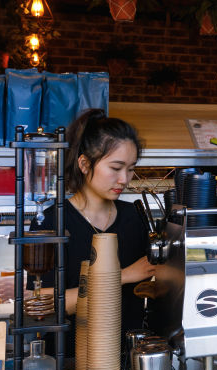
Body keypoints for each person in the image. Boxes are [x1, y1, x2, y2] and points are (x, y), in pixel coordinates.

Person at [41, 109, 155, 333]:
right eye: (115, 168)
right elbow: (45, 304)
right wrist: (122, 276)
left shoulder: (134, 216)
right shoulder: (51, 222)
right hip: (71, 358)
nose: (124, 179)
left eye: (130, 169)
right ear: (84, 164)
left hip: (129, 355)